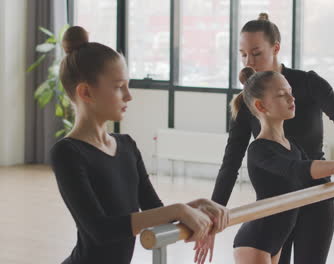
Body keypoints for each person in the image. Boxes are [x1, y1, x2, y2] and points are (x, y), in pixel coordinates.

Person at [199, 13, 334, 264]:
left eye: (256, 53)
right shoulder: (248, 101)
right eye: (243, 54)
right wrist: (215, 215)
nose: (249, 61)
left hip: (315, 198)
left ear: (276, 48)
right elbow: (231, 162)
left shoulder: (307, 83)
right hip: (276, 206)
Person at [51, 26, 229, 264]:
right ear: (85, 92)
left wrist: (197, 206)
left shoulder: (127, 146)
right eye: (118, 86)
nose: (129, 96)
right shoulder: (68, 153)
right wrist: (178, 210)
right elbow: (100, 230)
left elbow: (155, 212)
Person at [236, 68, 334, 264]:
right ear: (261, 106)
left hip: (278, 240)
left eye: (291, 92)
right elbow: (297, 169)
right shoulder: (258, 149)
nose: (292, 99)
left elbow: (322, 189)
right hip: (256, 241)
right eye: (282, 95)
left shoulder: (293, 147)